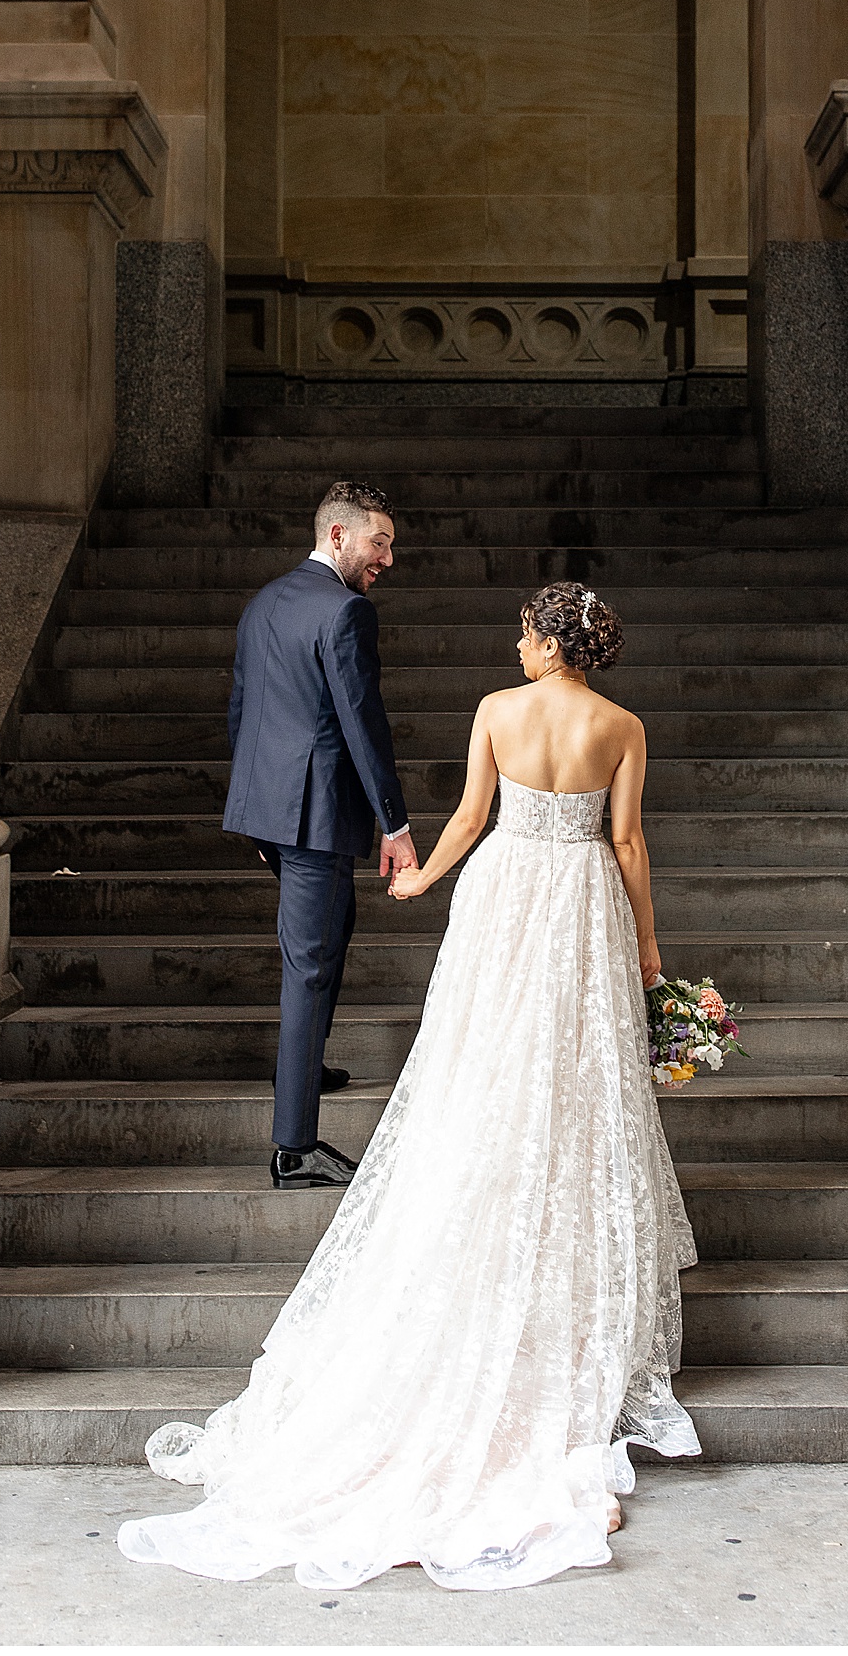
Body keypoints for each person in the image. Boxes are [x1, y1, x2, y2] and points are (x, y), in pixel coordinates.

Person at [119, 580, 700, 1593]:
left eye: (523, 631)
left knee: (479, 1072)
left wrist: (422, 880)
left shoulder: (496, 710)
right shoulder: (621, 724)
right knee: (571, 1082)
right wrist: (650, 950)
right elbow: (626, 841)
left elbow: (472, 815)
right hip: (580, 908)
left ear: (546, 639)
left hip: (506, 896)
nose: (515, 645)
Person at [221, 480, 417, 1188]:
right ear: (338, 536)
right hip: (317, 815)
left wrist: (257, 811)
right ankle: (295, 1146)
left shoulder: (263, 602)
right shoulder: (345, 612)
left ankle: (304, 1068)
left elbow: (244, 708)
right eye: (380, 542)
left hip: (275, 811)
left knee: (330, 936)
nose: (387, 558)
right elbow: (362, 723)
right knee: (309, 964)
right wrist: (394, 825)